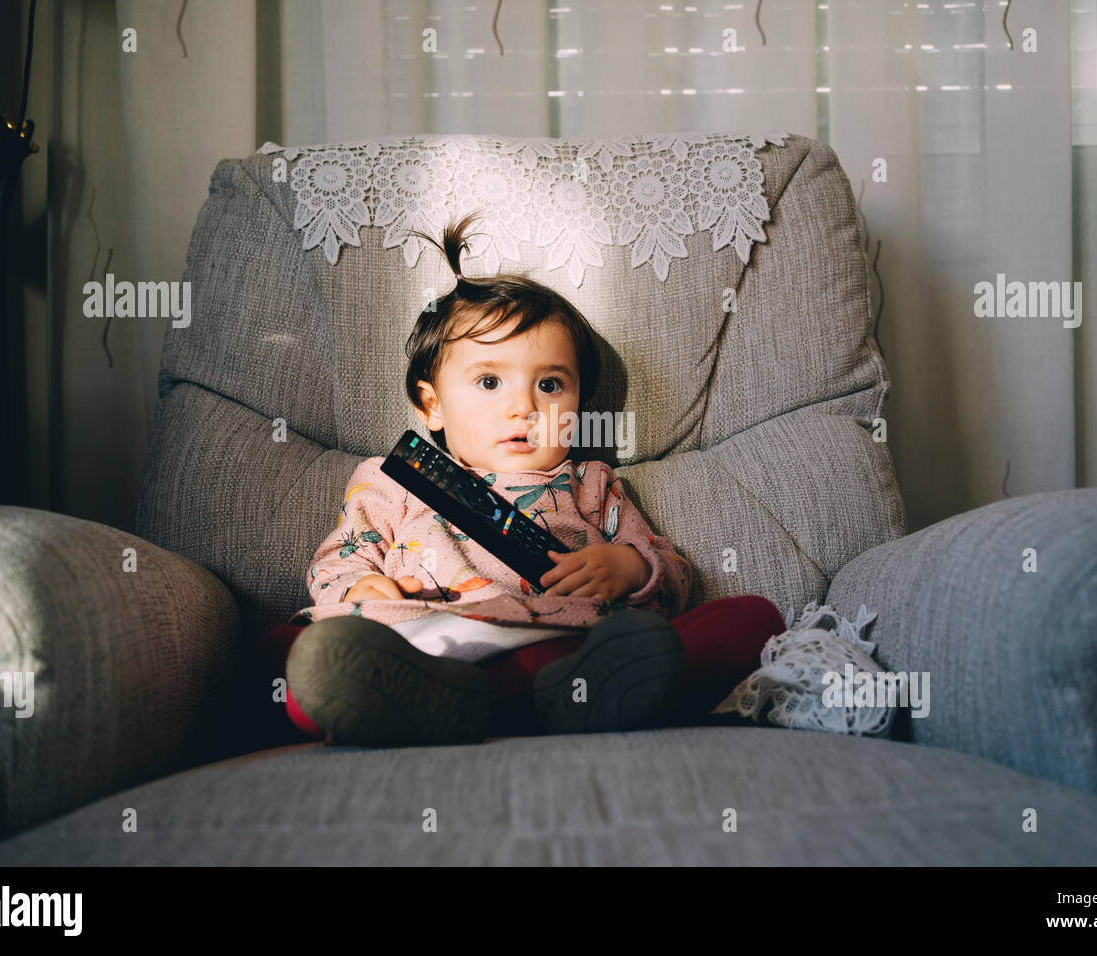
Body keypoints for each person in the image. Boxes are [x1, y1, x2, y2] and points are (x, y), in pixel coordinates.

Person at [263, 211, 784, 747]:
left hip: (564, 648)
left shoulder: (591, 485)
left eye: (552, 384)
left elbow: (673, 572)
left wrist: (629, 567)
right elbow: (336, 563)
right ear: (431, 403)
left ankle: (533, 702)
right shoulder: (392, 481)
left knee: (752, 620)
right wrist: (360, 587)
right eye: (489, 381)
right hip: (422, 646)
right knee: (286, 652)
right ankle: (463, 701)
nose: (523, 407)